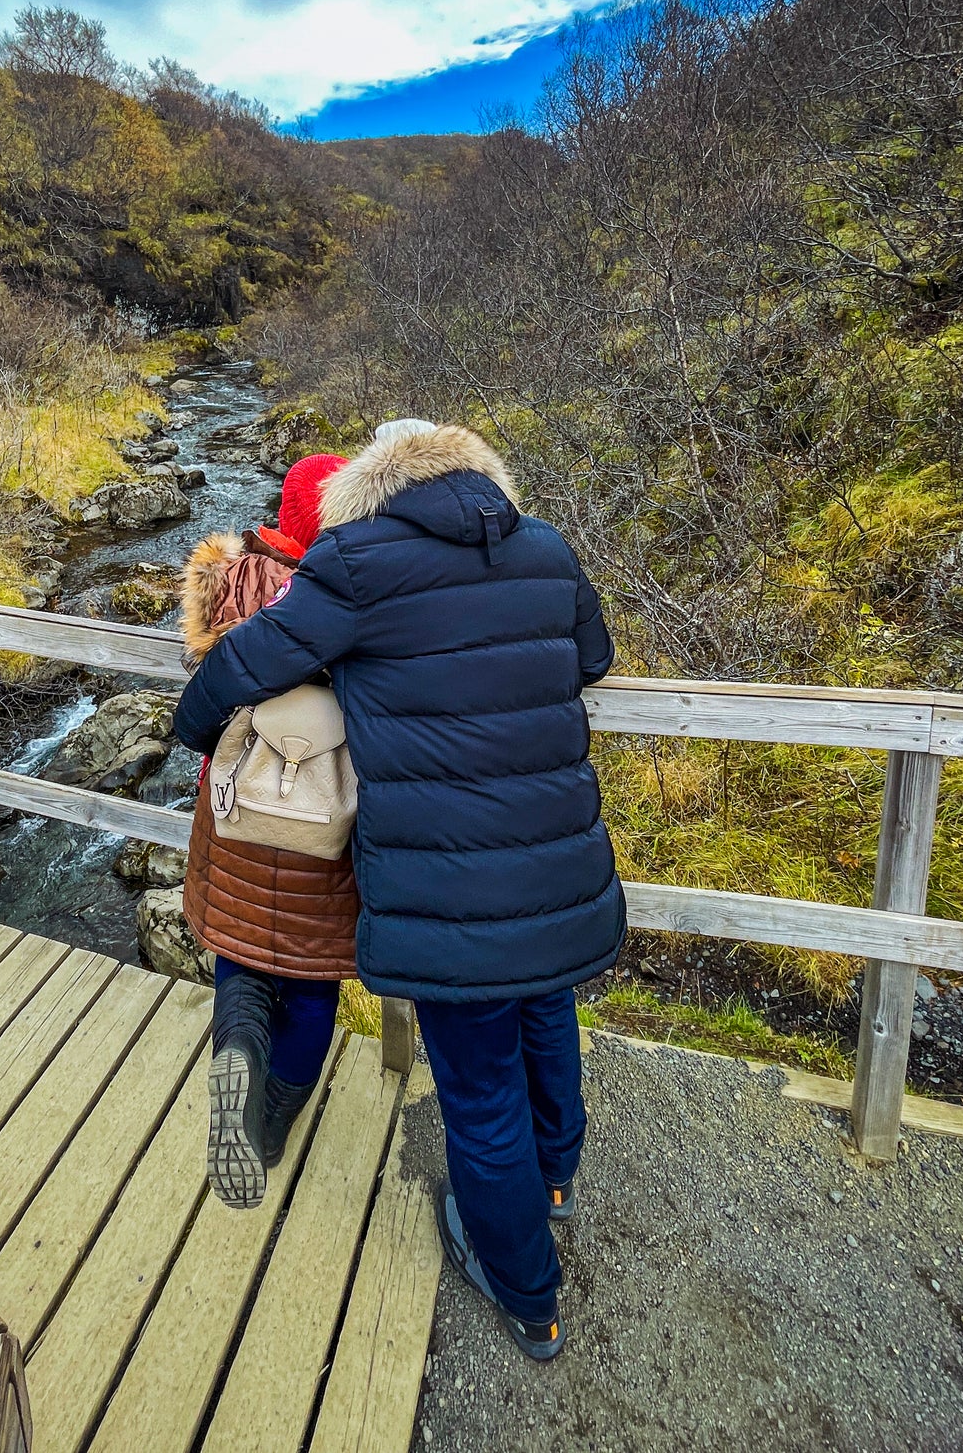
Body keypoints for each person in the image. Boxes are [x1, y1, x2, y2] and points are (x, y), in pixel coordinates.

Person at [172, 417, 622, 1360]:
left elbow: (248, 663)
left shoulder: (359, 561)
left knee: (478, 1088)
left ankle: (526, 1292)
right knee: (548, 1014)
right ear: (476, 473)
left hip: (447, 880)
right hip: (559, 860)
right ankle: (556, 1182)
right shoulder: (542, 546)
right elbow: (591, 659)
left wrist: (195, 720)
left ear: (372, 485)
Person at [176, 449, 357, 1210]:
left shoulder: (228, 576)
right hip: (322, 813)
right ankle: (275, 1122)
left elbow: (201, 694)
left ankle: (240, 1053)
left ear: (283, 512)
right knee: (312, 981)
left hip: (235, 806)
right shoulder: (352, 593)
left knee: (243, 951)